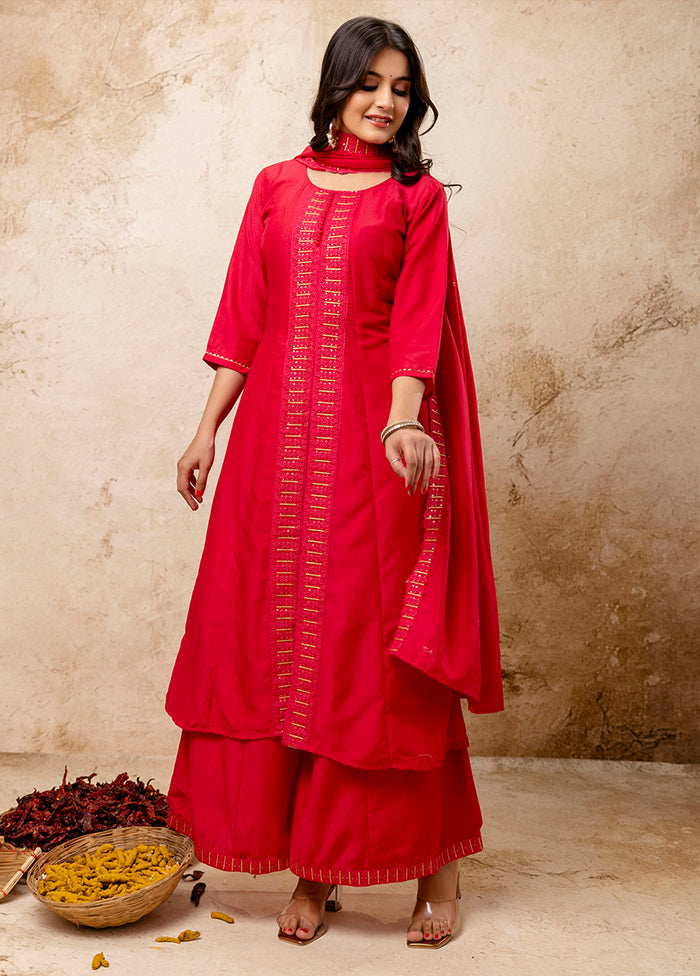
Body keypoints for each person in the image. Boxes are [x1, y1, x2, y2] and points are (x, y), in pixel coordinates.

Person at [165, 15, 503, 949]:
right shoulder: (274, 185)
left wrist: (403, 418)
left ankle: (439, 872)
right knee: (278, 649)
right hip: (273, 446)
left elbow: (418, 321)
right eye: (371, 84)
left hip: (374, 446)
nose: (385, 102)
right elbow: (245, 315)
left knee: (371, 661)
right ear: (337, 86)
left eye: (402, 89)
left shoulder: (415, 198)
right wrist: (206, 430)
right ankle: (314, 871)